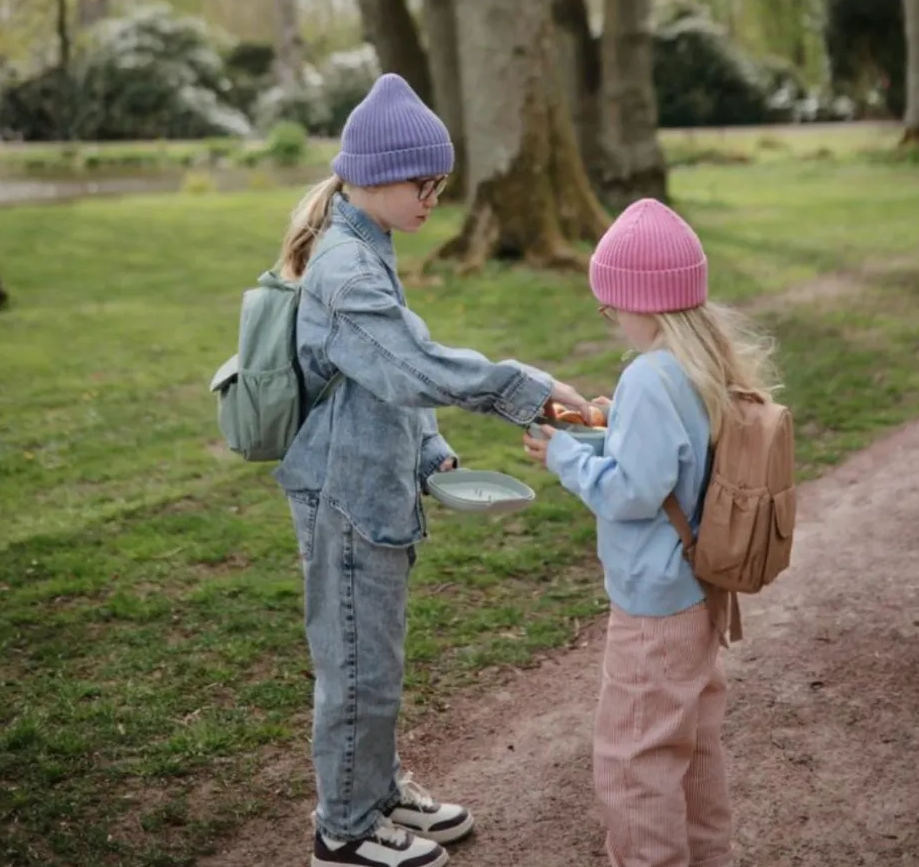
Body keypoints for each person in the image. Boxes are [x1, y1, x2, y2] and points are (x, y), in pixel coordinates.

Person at [273, 72, 594, 867]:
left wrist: (426, 452)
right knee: (355, 669)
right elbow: (414, 367)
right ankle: (343, 832)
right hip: (345, 497)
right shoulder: (346, 270)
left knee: (374, 659)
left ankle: (375, 794)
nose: (435, 201)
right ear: (378, 174)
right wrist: (527, 389)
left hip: (374, 485)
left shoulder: (365, 249)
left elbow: (382, 379)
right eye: (426, 184)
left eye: (441, 185)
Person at [523, 198, 779, 867]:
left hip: (655, 603)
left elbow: (633, 492)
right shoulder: (704, 363)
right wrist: (612, 428)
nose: (611, 321)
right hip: (701, 591)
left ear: (641, 302)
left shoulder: (648, 376)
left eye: (610, 307)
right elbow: (677, 460)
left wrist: (564, 454)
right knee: (692, 746)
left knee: (633, 763)